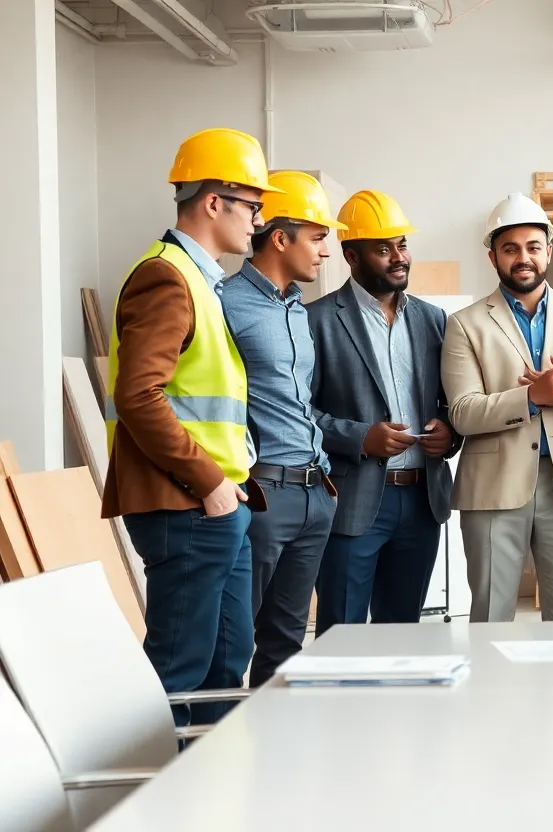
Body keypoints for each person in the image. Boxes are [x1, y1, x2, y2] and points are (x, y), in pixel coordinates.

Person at [102, 127, 279, 726]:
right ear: (212, 202)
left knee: (225, 663)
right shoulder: (166, 276)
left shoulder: (199, 279)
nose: (257, 222)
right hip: (186, 505)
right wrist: (208, 482)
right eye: (252, 206)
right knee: (180, 669)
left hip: (215, 505)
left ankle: (213, 792)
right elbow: (139, 397)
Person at [441, 192, 553, 622]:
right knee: (489, 616)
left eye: (532, 247)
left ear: (549, 252)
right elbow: (463, 412)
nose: (522, 257)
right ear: (493, 258)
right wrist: (530, 398)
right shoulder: (464, 324)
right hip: (493, 485)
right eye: (510, 249)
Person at [307, 189, 460, 636]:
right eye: (382, 249)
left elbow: (451, 401)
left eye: (402, 245)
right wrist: (360, 438)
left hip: (421, 501)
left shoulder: (434, 320)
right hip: (353, 503)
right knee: (343, 635)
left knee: (403, 634)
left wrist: (449, 432)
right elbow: (299, 411)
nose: (398, 258)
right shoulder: (317, 320)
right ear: (350, 256)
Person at [219, 171, 342, 685]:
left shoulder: (295, 308)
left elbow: (301, 402)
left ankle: (276, 754)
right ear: (280, 238)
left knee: (288, 645)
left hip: (317, 493)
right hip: (263, 493)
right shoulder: (224, 302)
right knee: (233, 638)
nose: (326, 253)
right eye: (317, 239)